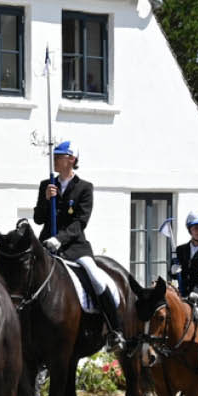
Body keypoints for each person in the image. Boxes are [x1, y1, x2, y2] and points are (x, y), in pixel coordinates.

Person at [32, 141, 122, 349]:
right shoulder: (47, 184)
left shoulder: (84, 188)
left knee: (96, 278)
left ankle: (114, 330)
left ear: (71, 159)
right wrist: (46, 199)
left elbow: (80, 222)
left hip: (73, 246)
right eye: (54, 156)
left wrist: (60, 239)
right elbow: (38, 218)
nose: (54, 160)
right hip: (46, 243)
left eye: (59, 156)